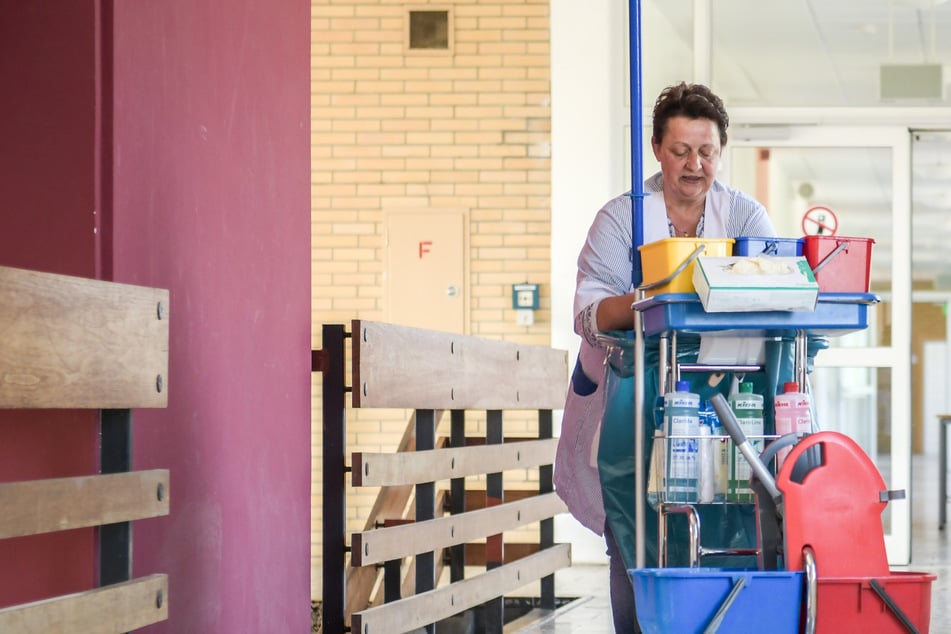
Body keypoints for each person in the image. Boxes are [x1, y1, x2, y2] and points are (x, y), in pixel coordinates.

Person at [553, 81, 777, 633]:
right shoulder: (623, 218)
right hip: (630, 407)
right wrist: (654, 300)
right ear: (656, 148)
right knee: (633, 531)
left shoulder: (746, 218)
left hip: (723, 408)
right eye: (681, 151)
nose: (695, 165)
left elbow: (776, 290)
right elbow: (587, 313)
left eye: (707, 152)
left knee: (729, 526)